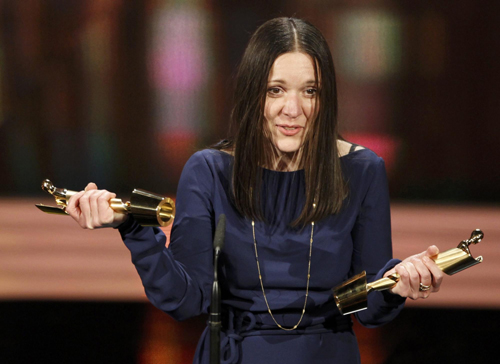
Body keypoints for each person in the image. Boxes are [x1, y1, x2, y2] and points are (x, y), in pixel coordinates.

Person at [66, 17, 443, 364]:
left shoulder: (362, 171)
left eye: (309, 91)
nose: (292, 109)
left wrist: (398, 282)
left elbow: (367, 308)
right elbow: (184, 299)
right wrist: (133, 228)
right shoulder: (209, 171)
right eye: (275, 90)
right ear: (251, 94)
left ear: (326, 98)